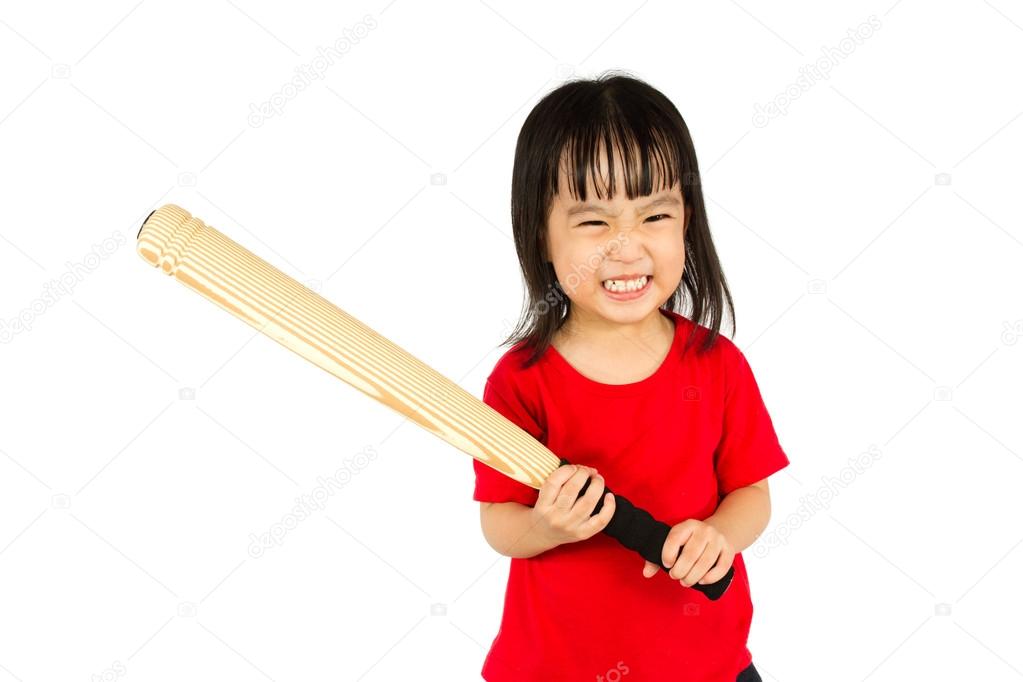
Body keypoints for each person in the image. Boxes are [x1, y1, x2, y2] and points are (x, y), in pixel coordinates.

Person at [472, 71, 790, 681]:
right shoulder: (520, 381)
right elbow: (500, 525)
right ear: (540, 232)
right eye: (593, 222)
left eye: (654, 216)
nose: (625, 248)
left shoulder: (718, 365)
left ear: (686, 221)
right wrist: (546, 525)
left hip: (707, 667)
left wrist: (719, 534)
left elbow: (752, 494)